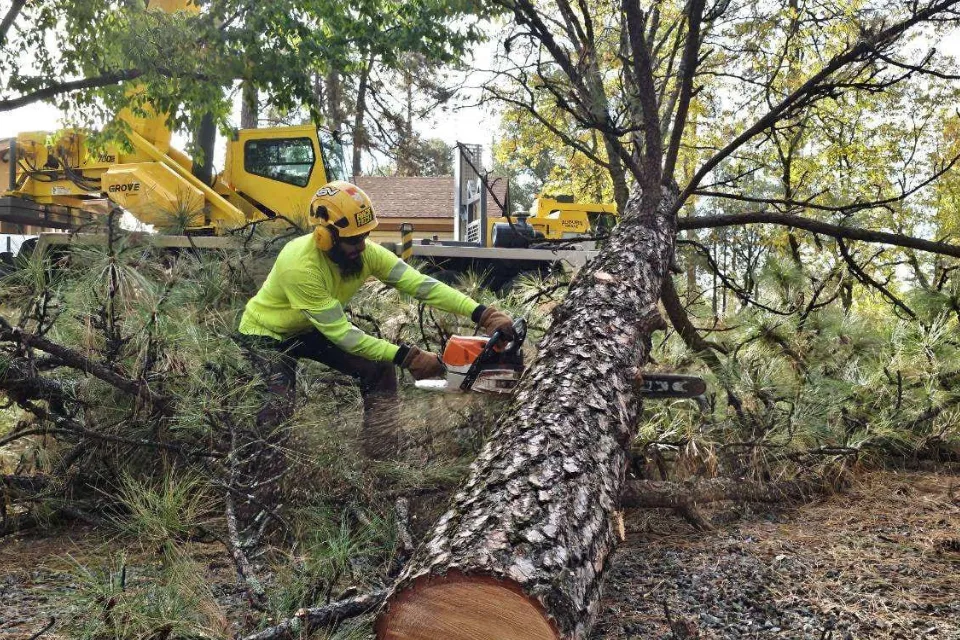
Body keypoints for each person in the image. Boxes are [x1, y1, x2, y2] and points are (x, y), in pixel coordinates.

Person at [237, 180, 514, 460]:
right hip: (266, 333)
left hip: (308, 327)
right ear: (325, 236)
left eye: (365, 236)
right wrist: (407, 357)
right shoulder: (300, 266)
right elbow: (343, 334)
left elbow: (420, 285)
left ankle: (381, 461)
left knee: (377, 368)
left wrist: (482, 313)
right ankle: (262, 475)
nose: (361, 245)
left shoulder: (367, 253)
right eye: (353, 240)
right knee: (277, 406)